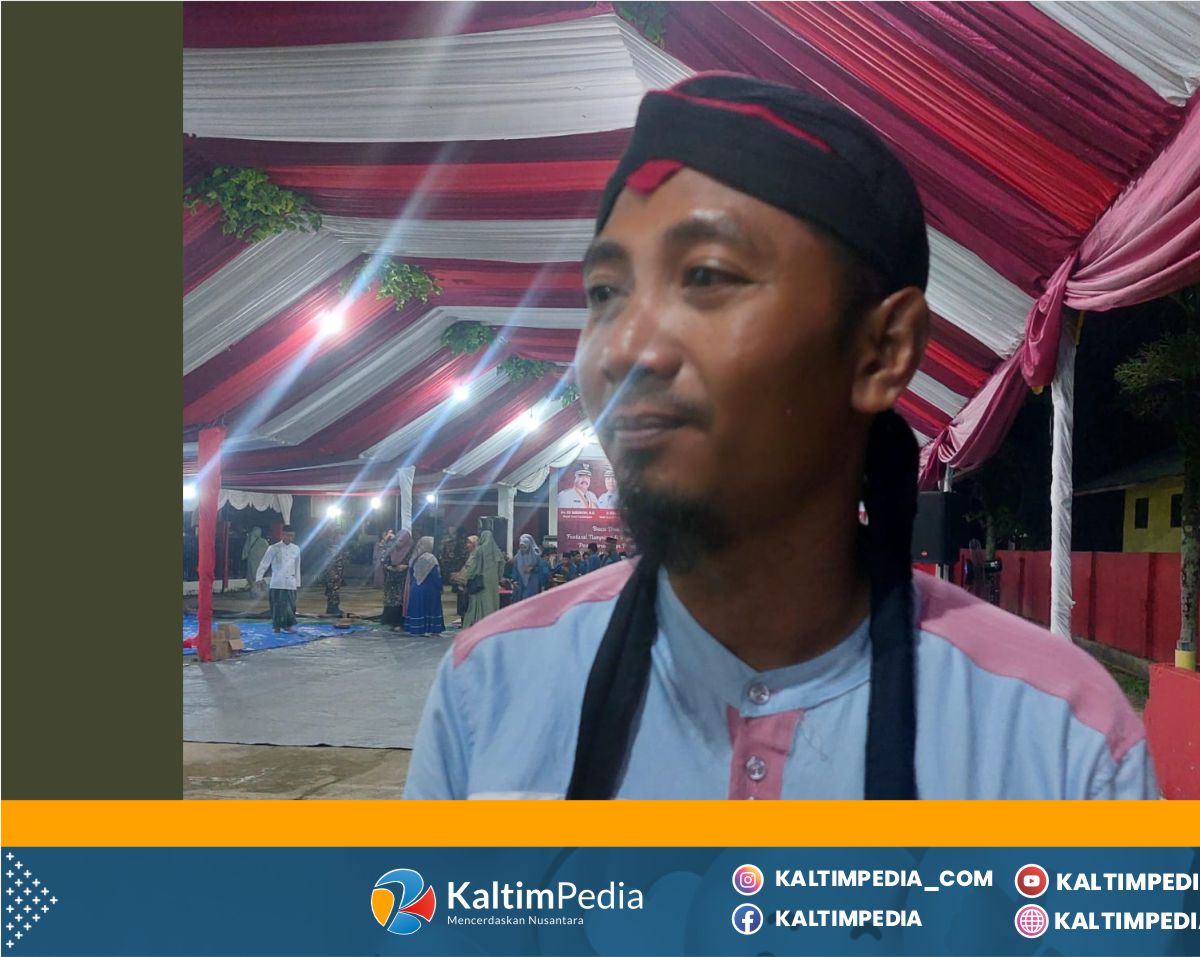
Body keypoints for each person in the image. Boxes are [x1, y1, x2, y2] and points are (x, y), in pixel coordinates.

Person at [407, 74, 1153, 800]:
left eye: (706, 276)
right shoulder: (491, 689)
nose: (625, 349)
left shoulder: (1058, 745)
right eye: (605, 292)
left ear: (882, 350)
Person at [253, 528, 301, 634]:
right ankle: (276, 627)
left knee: (291, 605)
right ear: (282, 535)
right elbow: (264, 563)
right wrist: (259, 578)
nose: (289, 538)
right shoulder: (273, 548)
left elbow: (297, 566)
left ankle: (289, 625)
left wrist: (297, 583)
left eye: (292, 536)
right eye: (287, 535)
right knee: (277, 606)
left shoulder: (296, 549)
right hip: (277, 582)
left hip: (290, 582)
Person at [455, 530, 506, 628]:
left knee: (478, 603)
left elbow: (473, 567)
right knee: (492, 602)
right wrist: (498, 577)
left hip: (480, 582)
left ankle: (478, 625)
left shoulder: (479, 550)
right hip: (493, 582)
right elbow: (502, 565)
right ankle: (491, 625)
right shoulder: (497, 552)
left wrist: (466, 578)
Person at [402, 536, 446, 635]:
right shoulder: (430, 558)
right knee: (431, 609)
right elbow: (435, 575)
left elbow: (411, 573)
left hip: (415, 588)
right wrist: (440, 587)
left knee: (417, 609)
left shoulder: (414, 556)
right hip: (429, 588)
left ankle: (416, 629)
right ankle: (433, 630)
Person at [381, 530, 414, 627]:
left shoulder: (411, 550)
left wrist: (406, 567)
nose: (399, 542)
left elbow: (414, 563)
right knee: (390, 599)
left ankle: (400, 621)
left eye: (402, 540)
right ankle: (389, 620)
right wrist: (393, 568)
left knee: (402, 599)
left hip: (404, 579)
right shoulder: (391, 549)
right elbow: (384, 561)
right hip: (391, 579)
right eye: (398, 540)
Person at [509, 534, 552, 603]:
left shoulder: (536, 557)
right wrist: (514, 580)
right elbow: (515, 570)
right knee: (521, 601)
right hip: (520, 583)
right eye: (521, 547)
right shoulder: (517, 558)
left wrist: (533, 569)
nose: (523, 549)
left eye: (524, 547)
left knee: (531, 601)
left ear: (529, 546)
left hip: (533, 582)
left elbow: (541, 570)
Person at [321, 524, 347, 617]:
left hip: (338, 574)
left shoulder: (339, 547)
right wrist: (332, 574)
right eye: (340, 535)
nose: (342, 538)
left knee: (335, 591)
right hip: (332, 575)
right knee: (332, 592)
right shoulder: (332, 548)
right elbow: (328, 563)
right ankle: (332, 608)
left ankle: (334, 607)